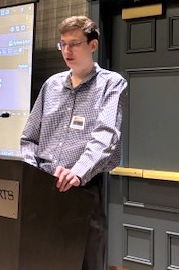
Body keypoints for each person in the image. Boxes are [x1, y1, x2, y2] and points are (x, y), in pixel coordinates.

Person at [20, 15, 127, 270]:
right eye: (63, 44)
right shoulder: (51, 85)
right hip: (42, 187)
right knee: (42, 259)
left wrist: (76, 173)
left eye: (75, 44)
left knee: (85, 262)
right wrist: (31, 171)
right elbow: (29, 137)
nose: (67, 51)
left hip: (83, 189)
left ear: (92, 45)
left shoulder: (111, 84)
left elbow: (106, 137)